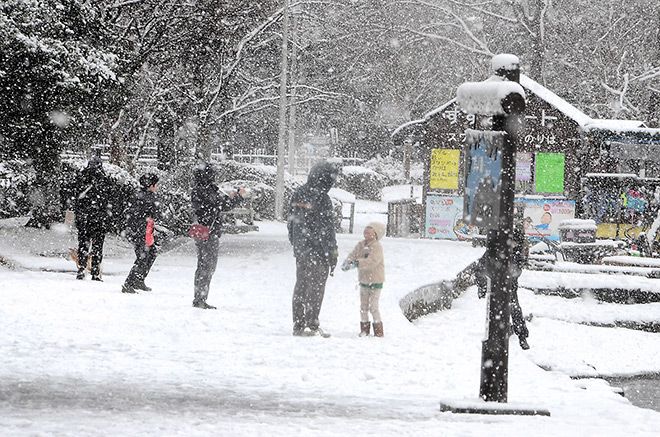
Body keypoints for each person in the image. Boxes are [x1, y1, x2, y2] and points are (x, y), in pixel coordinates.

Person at [287, 160, 339, 337]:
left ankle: (298, 323)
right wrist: (332, 253)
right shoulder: (323, 199)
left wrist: (296, 242)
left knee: (301, 285)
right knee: (316, 288)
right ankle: (312, 321)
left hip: (301, 250)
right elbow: (327, 230)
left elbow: (291, 222)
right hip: (318, 250)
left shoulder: (298, 193)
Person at [190, 163, 245, 309]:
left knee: (204, 264)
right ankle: (200, 298)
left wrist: (231, 198)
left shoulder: (202, 189)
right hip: (207, 230)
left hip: (203, 229)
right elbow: (219, 205)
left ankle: (200, 296)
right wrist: (237, 197)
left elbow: (219, 204)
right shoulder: (205, 190)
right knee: (207, 264)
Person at [474, 224, 530, 350]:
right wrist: (482, 286)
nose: (515, 245)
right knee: (498, 313)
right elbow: (480, 268)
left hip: (510, 287)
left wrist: (512, 275)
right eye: (513, 243)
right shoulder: (494, 250)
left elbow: (519, 268)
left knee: (515, 310)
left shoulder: (517, 252)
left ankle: (521, 337)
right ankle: (497, 337)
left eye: (516, 244)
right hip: (496, 287)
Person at [341, 222, 386, 337]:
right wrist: (348, 261)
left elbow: (372, 261)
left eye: (369, 231)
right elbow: (353, 254)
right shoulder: (361, 244)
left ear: (375, 234)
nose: (366, 233)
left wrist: (357, 263)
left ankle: (378, 330)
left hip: (375, 281)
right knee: (363, 306)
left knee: (373, 307)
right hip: (364, 280)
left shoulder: (377, 247)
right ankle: (364, 329)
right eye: (365, 231)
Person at [72, 156, 111, 281]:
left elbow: (75, 197)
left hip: (84, 218)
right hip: (99, 219)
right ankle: (95, 272)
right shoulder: (104, 179)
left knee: (83, 244)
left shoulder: (81, 177)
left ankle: (81, 269)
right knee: (98, 247)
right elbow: (109, 199)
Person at [122, 173, 160, 294]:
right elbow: (150, 214)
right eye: (156, 184)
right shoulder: (146, 197)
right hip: (141, 231)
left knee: (151, 253)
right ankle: (129, 283)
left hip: (143, 231)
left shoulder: (141, 195)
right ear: (151, 185)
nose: (157, 187)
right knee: (142, 257)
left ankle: (139, 279)